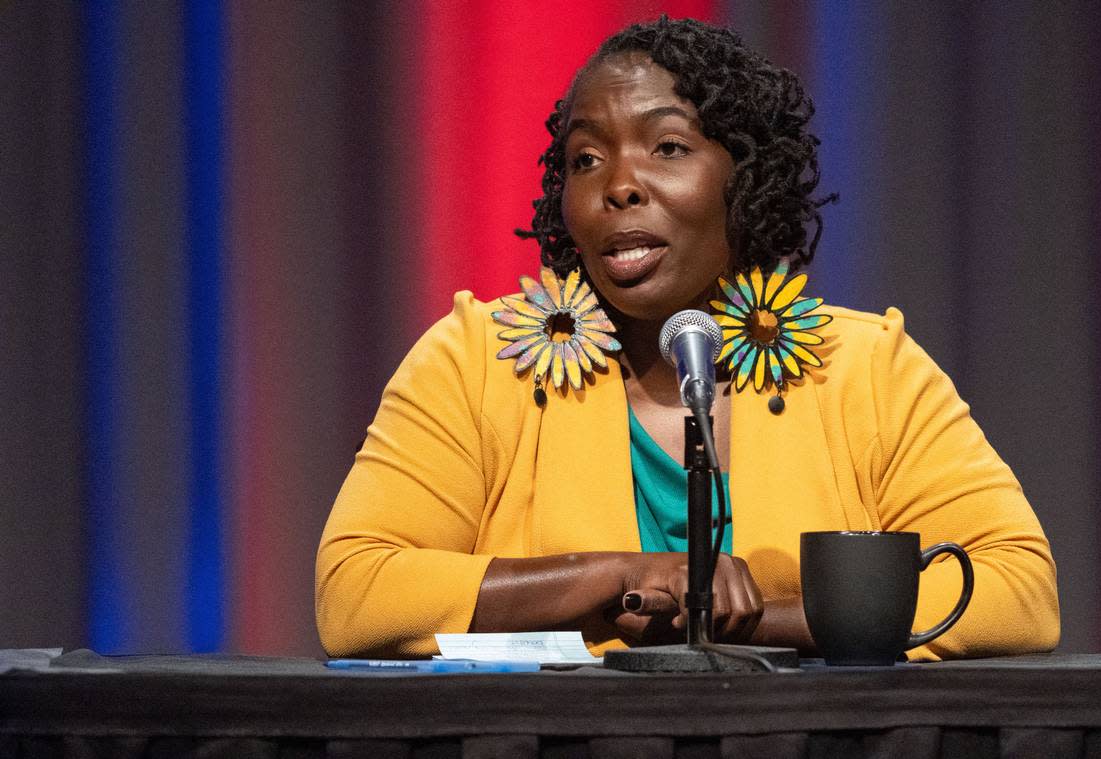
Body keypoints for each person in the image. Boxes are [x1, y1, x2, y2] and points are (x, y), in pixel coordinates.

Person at [315, 17, 1059, 661]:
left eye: (667, 147)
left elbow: (1016, 587)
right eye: (586, 158)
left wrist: (742, 621)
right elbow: (358, 591)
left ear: (747, 177)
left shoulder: (863, 370)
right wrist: (619, 574)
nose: (619, 184)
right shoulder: (480, 361)